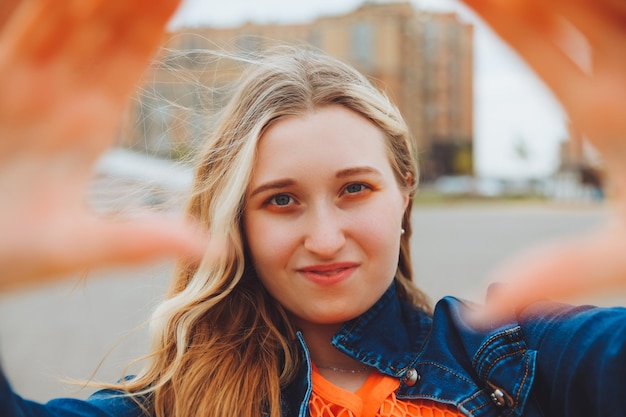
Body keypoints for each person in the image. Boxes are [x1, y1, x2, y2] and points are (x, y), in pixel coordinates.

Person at [1, 0, 625, 417]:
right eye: (281, 200)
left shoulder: (523, 357)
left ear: (404, 189)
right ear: (238, 218)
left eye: (355, 188)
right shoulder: (171, 404)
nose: (325, 239)